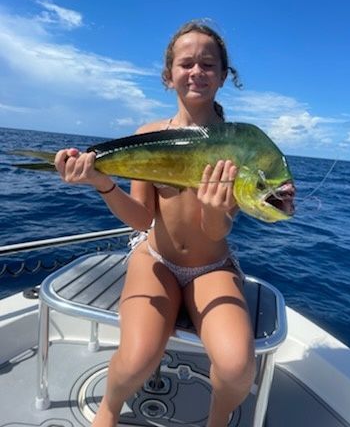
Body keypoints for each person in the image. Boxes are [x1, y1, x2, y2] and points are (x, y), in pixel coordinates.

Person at [55, 21, 256, 427]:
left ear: (222, 77)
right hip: (157, 259)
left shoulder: (236, 147)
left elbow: (217, 231)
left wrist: (215, 208)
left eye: (207, 64)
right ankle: (108, 412)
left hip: (212, 267)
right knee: (135, 362)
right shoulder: (147, 136)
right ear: (169, 77)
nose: (196, 71)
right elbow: (142, 218)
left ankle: (217, 421)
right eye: (186, 64)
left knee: (237, 369)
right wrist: (101, 182)